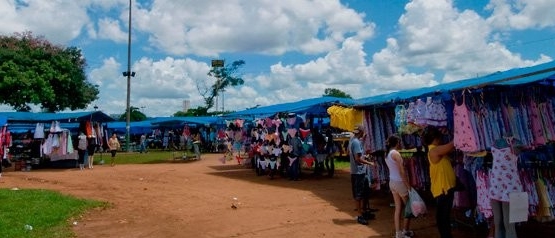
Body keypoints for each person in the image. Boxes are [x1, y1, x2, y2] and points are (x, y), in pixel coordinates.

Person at [422, 126, 455, 238]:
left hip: (444, 189)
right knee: (443, 218)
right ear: (435, 138)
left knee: (443, 217)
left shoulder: (435, 150)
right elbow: (451, 145)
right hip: (442, 189)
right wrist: (461, 131)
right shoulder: (434, 150)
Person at [385, 135, 413, 238]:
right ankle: (405, 231)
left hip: (392, 182)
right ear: (397, 142)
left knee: (398, 208)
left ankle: (398, 233)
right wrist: (408, 185)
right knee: (408, 208)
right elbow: (402, 171)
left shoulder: (387, 154)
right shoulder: (396, 154)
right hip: (400, 182)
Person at [348, 125, 374, 225]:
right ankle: (359, 215)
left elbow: (358, 156)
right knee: (358, 194)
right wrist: (369, 163)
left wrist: (365, 157)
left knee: (363, 192)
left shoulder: (354, 140)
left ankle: (363, 212)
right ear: (361, 132)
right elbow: (358, 159)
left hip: (358, 171)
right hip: (358, 172)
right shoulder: (356, 142)